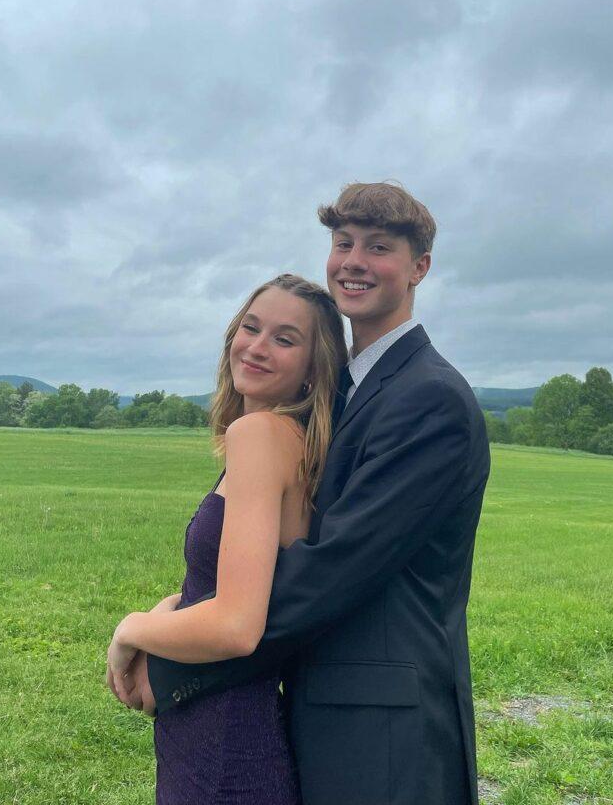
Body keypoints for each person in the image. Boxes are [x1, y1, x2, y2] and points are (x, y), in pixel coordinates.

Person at [111, 181, 491, 805]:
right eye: (343, 243)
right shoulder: (346, 394)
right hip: (307, 708)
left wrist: (169, 655)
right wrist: (179, 605)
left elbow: (329, 571)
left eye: (379, 247)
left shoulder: (430, 399)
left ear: (420, 267)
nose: (354, 261)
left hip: (381, 730)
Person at [107, 273, 347, 804]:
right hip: (220, 728)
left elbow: (238, 626)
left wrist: (131, 630)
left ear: (313, 371)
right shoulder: (293, 443)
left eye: (285, 339)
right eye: (251, 327)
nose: (257, 347)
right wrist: (173, 605)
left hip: (224, 740)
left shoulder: (260, 436)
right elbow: (244, 584)